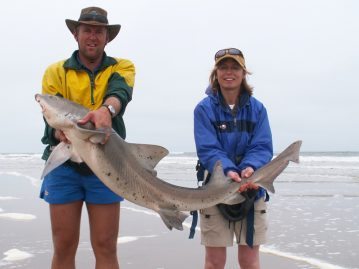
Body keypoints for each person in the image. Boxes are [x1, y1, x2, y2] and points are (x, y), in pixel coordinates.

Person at [39, 7, 135, 269]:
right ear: (75, 34)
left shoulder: (121, 66)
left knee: (105, 246)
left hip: (106, 165)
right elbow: (50, 118)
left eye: (98, 31)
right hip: (64, 166)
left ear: (107, 37)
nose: (92, 36)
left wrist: (108, 109)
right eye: (87, 30)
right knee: (64, 246)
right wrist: (58, 132)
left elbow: (120, 93)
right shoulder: (56, 71)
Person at [194, 48, 273, 269]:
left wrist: (249, 167)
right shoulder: (203, 109)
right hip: (215, 190)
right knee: (214, 262)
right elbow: (208, 149)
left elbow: (262, 146)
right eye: (223, 67)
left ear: (243, 73)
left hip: (252, 186)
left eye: (235, 67)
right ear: (216, 73)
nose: (229, 72)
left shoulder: (257, 109)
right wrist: (229, 170)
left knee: (250, 262)